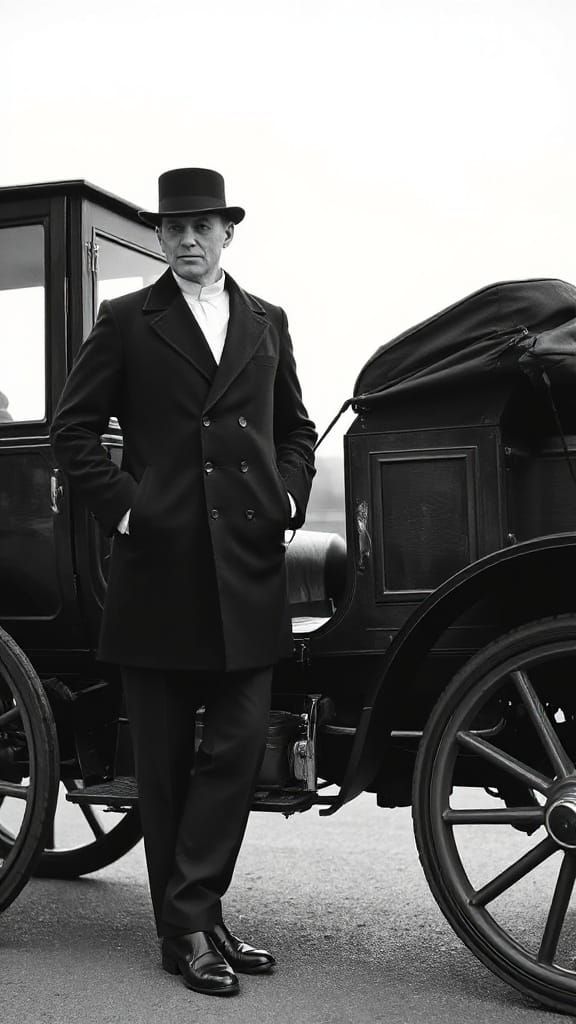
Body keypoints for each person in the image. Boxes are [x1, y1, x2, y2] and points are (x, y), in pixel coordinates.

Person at [50, 167, 317, 998]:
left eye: (204, 226)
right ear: (160, 239)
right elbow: (74, 430)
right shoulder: (128, 320)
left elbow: (298, 429)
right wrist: (129, 511)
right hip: (158, 567)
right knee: (162, 766)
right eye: (175, 229)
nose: (190, 240)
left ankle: (194, 911)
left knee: (236, 749)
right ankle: (188, 930)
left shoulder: (267, 321)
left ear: (228, 232)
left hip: (245, 566)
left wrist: (289, 495)